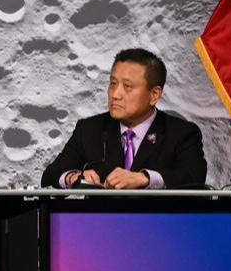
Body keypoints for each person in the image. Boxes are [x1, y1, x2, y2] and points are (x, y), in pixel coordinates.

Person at [41, 48, 206, 189]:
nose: (115, 95)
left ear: (154, 95)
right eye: (113, 84)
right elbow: (49, 177)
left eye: (127, 87)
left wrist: (144, 179)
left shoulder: (181, 133)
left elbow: (194, 178)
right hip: (98, 223)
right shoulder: (90, 129)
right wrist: (75, 178)